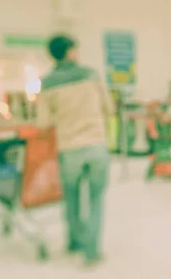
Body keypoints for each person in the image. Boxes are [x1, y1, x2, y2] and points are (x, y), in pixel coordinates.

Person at [36, 34, 113, 266]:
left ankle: (74, 241)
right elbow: (108, 108)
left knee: (71, 197)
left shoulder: (47, 83)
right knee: (96, 198)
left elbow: (42, 123)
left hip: (69, 148)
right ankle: (91, 252)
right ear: (70, 51)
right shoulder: (91, 75)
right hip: (96, 145)